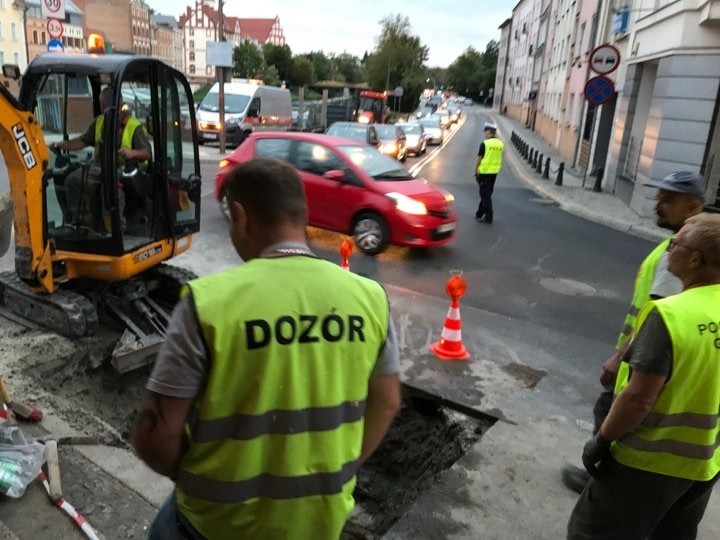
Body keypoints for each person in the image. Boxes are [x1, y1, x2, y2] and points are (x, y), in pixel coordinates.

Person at [132, 157, 402, 539]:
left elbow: (154, 438)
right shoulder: (369, 297)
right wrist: (338, 473)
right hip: (318, 523)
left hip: (215, 525)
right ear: (301, 216)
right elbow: (388, 402)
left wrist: (196, 480)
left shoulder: (208, 304)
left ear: (240, 215)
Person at [568, 212, 720, 539]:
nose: (668, 251)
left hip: (647, 464)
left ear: (695, 259)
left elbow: (638, 399)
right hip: (706, 465)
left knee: (592, 533)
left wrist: (602, 440)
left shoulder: (671, 315)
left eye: (674, 245)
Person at [561, 171, 706, 494]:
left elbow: (659, 318)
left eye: (668, 201)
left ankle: (599, 478)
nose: (658, 205)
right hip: (647, 359)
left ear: (693, 206)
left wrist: (619, 356)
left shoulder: (680, 251)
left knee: (616, 414)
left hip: (643, 361)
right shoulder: (685, 243)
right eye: (658, 197)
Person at [50, 87, 151, 230]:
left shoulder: (133, 126)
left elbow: (146, 153)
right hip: (98, 167)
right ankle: (81, 223)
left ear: (117, 103)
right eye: (101, 105)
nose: (102, 108)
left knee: (110, 189)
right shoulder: (100, 122)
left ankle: (115, 230)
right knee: (71, 180)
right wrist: (62, 144)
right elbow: (82, 141)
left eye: (104, 105)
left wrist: (132, 153)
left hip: (121, 170)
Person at [474, 122, 504, 223]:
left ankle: (489, 216)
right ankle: (479, 213)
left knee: (484, 194)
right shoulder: (500, 144)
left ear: (489, 131)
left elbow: (478, 159)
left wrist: (475, 172)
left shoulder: (485, 144)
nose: (484, 133)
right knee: (487, 193)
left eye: (485, 131)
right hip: (494, 172)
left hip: (484, 172)